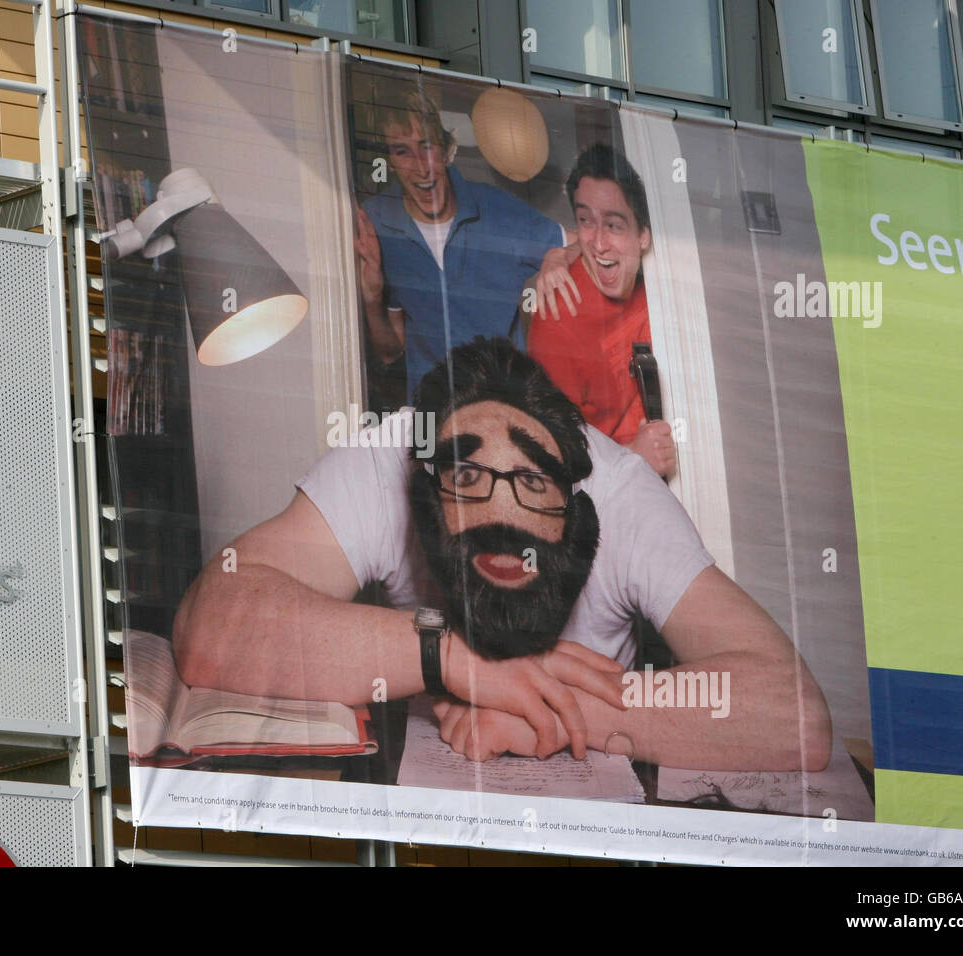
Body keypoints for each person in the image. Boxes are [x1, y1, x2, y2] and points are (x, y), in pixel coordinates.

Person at [173, 338, 832, 771]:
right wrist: (450, 654)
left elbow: (794, 714)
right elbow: (212, 624)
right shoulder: (390, 458)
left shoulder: (622, 491)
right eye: (469, 489)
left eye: (534, 494)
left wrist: (547, 710)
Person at [354, 88, 576, 404]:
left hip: (504, 408)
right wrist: (373, 298)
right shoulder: (375, 222)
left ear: (445, 150)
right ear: (389, 161)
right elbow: (390, 352)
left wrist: (559, 254)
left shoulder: (496, 208)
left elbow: (591, 244)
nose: (421, 167)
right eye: (402, 152)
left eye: (427, 147)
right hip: (432, 418)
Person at [527, 142, 676, 478]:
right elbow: (550, 464)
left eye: (614, 225)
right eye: (585, 221)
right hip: (612, 496)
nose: (597, 243)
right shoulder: (557, 316)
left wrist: (561, 252)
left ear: (644, 237)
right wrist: (631, 458)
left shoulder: (665, 282)